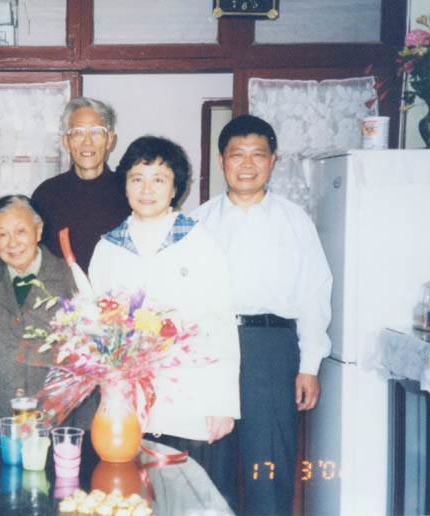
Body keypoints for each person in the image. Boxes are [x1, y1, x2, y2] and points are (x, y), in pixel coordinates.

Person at [191, 115, 332, 516]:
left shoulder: (295, 220)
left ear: (273, 160)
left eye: (258, 154)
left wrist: (309, 366)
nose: (247, 164)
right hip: (210, 349)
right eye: (237, 155)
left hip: (272, 349)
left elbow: (314, 293)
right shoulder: (198, 222)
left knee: (268, 466)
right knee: (208, 462)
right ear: (221, 160)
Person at [88, 136, 240, 489]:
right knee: (133, 496)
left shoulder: (200, 242)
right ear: (125, 184)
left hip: (192, 400)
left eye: (159, 179)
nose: (146, 189)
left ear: (175, 188)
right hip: (127, 407)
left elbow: (221, 323)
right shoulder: (108, 248)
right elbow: (96, 330)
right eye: (137, 178)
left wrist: (223, 403)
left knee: (191, 499)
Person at [0, 195, 97, 429]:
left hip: (57, 422)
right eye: (2, 234)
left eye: (20, 231)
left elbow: (92, 364)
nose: (13, 243)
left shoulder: (70, 278)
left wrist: (84, 431)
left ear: (39, 230)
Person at [32, 97, 130, 271]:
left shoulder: (128, 191)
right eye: (78, 133)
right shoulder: (46, 194)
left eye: (96, 132)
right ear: (66, 142)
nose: (87, 141)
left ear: (109, 139)